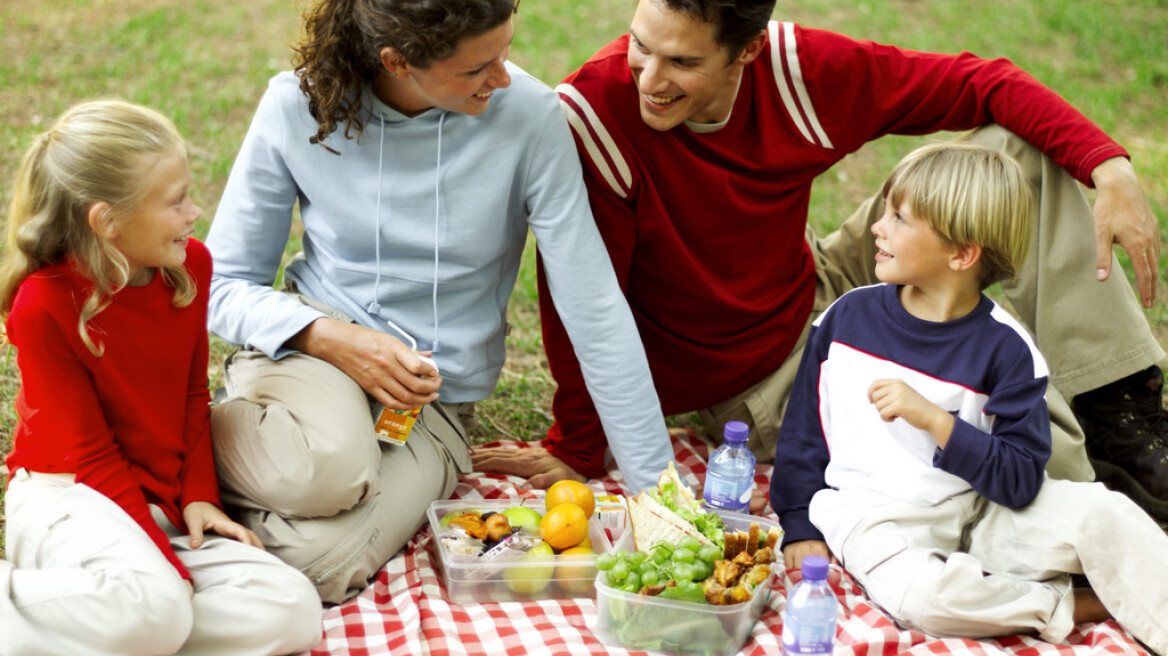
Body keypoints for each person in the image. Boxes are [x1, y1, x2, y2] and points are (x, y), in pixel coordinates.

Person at [473, 0, 1168, 518]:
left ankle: (1122, 412)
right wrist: (579, 443)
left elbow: (981, 82)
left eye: (682, 62)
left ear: (746, 52)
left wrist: (1108, 166)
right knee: (972, 389)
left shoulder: (796, 73)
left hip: (815, 278)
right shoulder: (596, 114)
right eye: (640, 45)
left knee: (1015, 148)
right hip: (755, 375)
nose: (649, 78)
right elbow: (583, 299)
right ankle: (1082, 501)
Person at [204, 0, 672, 603]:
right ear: (397, 61)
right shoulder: (296, 107)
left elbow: (595, 307)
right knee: (330, 470)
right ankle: (185, 440)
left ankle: (216, 502)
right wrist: (329, 338)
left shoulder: (529, 117)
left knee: (320, 567)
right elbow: (220, 285)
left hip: (434, 402)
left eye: (504, 53)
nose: (503, 77)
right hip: (314, 353)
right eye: (479, 68)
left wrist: (659, 496)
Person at [769, 142, 1167, 651]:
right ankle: (1071, 603)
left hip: (983, 509)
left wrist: (940, 423)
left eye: (899, 218)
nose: (877, 226)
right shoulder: (847, 321)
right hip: (874, 519)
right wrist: (799, 524)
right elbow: (803, 435)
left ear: (961, 254)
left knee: (1104, 514)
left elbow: (1022, 480)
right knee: (928, 599)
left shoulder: (1007, 348)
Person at [0, 100, 321, 656]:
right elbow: (90, 454)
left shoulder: (189, 267)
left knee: (290, 609)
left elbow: (193, 397)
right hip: (70, 495)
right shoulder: (43, 305)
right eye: (176, 202)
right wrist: (169, 569)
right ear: (107, 221)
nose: (194, 212)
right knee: (157, 604)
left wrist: (198, 497)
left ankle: (113, 627)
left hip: (157, 498)